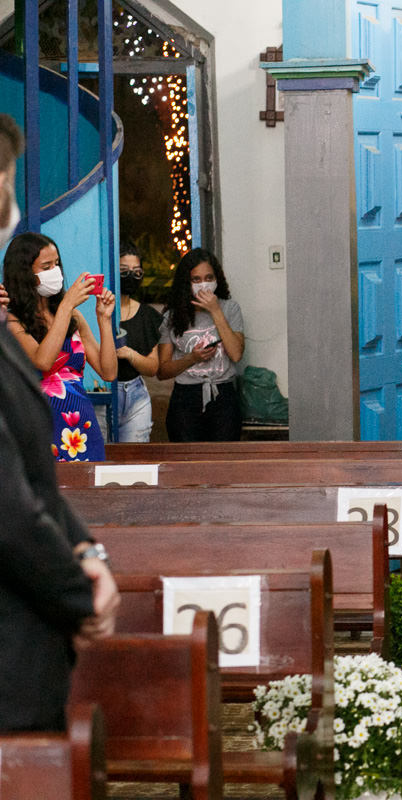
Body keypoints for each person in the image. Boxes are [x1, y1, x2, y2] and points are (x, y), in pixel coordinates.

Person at [0, 112, 120, 732]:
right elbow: (12, 506)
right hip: (53, 419)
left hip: (77, 418)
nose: (13, 199)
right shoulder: (13, 323)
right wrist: (79, 593)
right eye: (10, 181)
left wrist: (86, 551)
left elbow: (106, 367)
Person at [3, 232, 117, 462]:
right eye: (46, 266)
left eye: (57, 264)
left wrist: (104, 321)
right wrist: (66, 305)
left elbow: (109, 372)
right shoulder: (12, 320)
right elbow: (42, 361)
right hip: (41, 429)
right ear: (25, 273)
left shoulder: (72, 315)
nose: (55, 271)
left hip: (82, 428)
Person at [157, 248, 245, 441]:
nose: (203, 284)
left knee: (222, 463)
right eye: (196, 280)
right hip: (185, 400)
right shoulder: (172, 316)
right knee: (186, 464)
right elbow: (162, 372)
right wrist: (191, 358)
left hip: (223, 396)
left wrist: (215, 311)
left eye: (208, 278)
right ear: (186, 283)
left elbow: (236, 354)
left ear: (217, 279)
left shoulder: (230, 308)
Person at [113, 241, 162, 442]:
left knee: (134, 462)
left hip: (135, 396)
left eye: (136, 271)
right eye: (124, 271)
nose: (131, 277)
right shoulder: (99, 312)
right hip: (102, 393)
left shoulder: (147, 316)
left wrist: (129, 354)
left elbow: (153, 367)